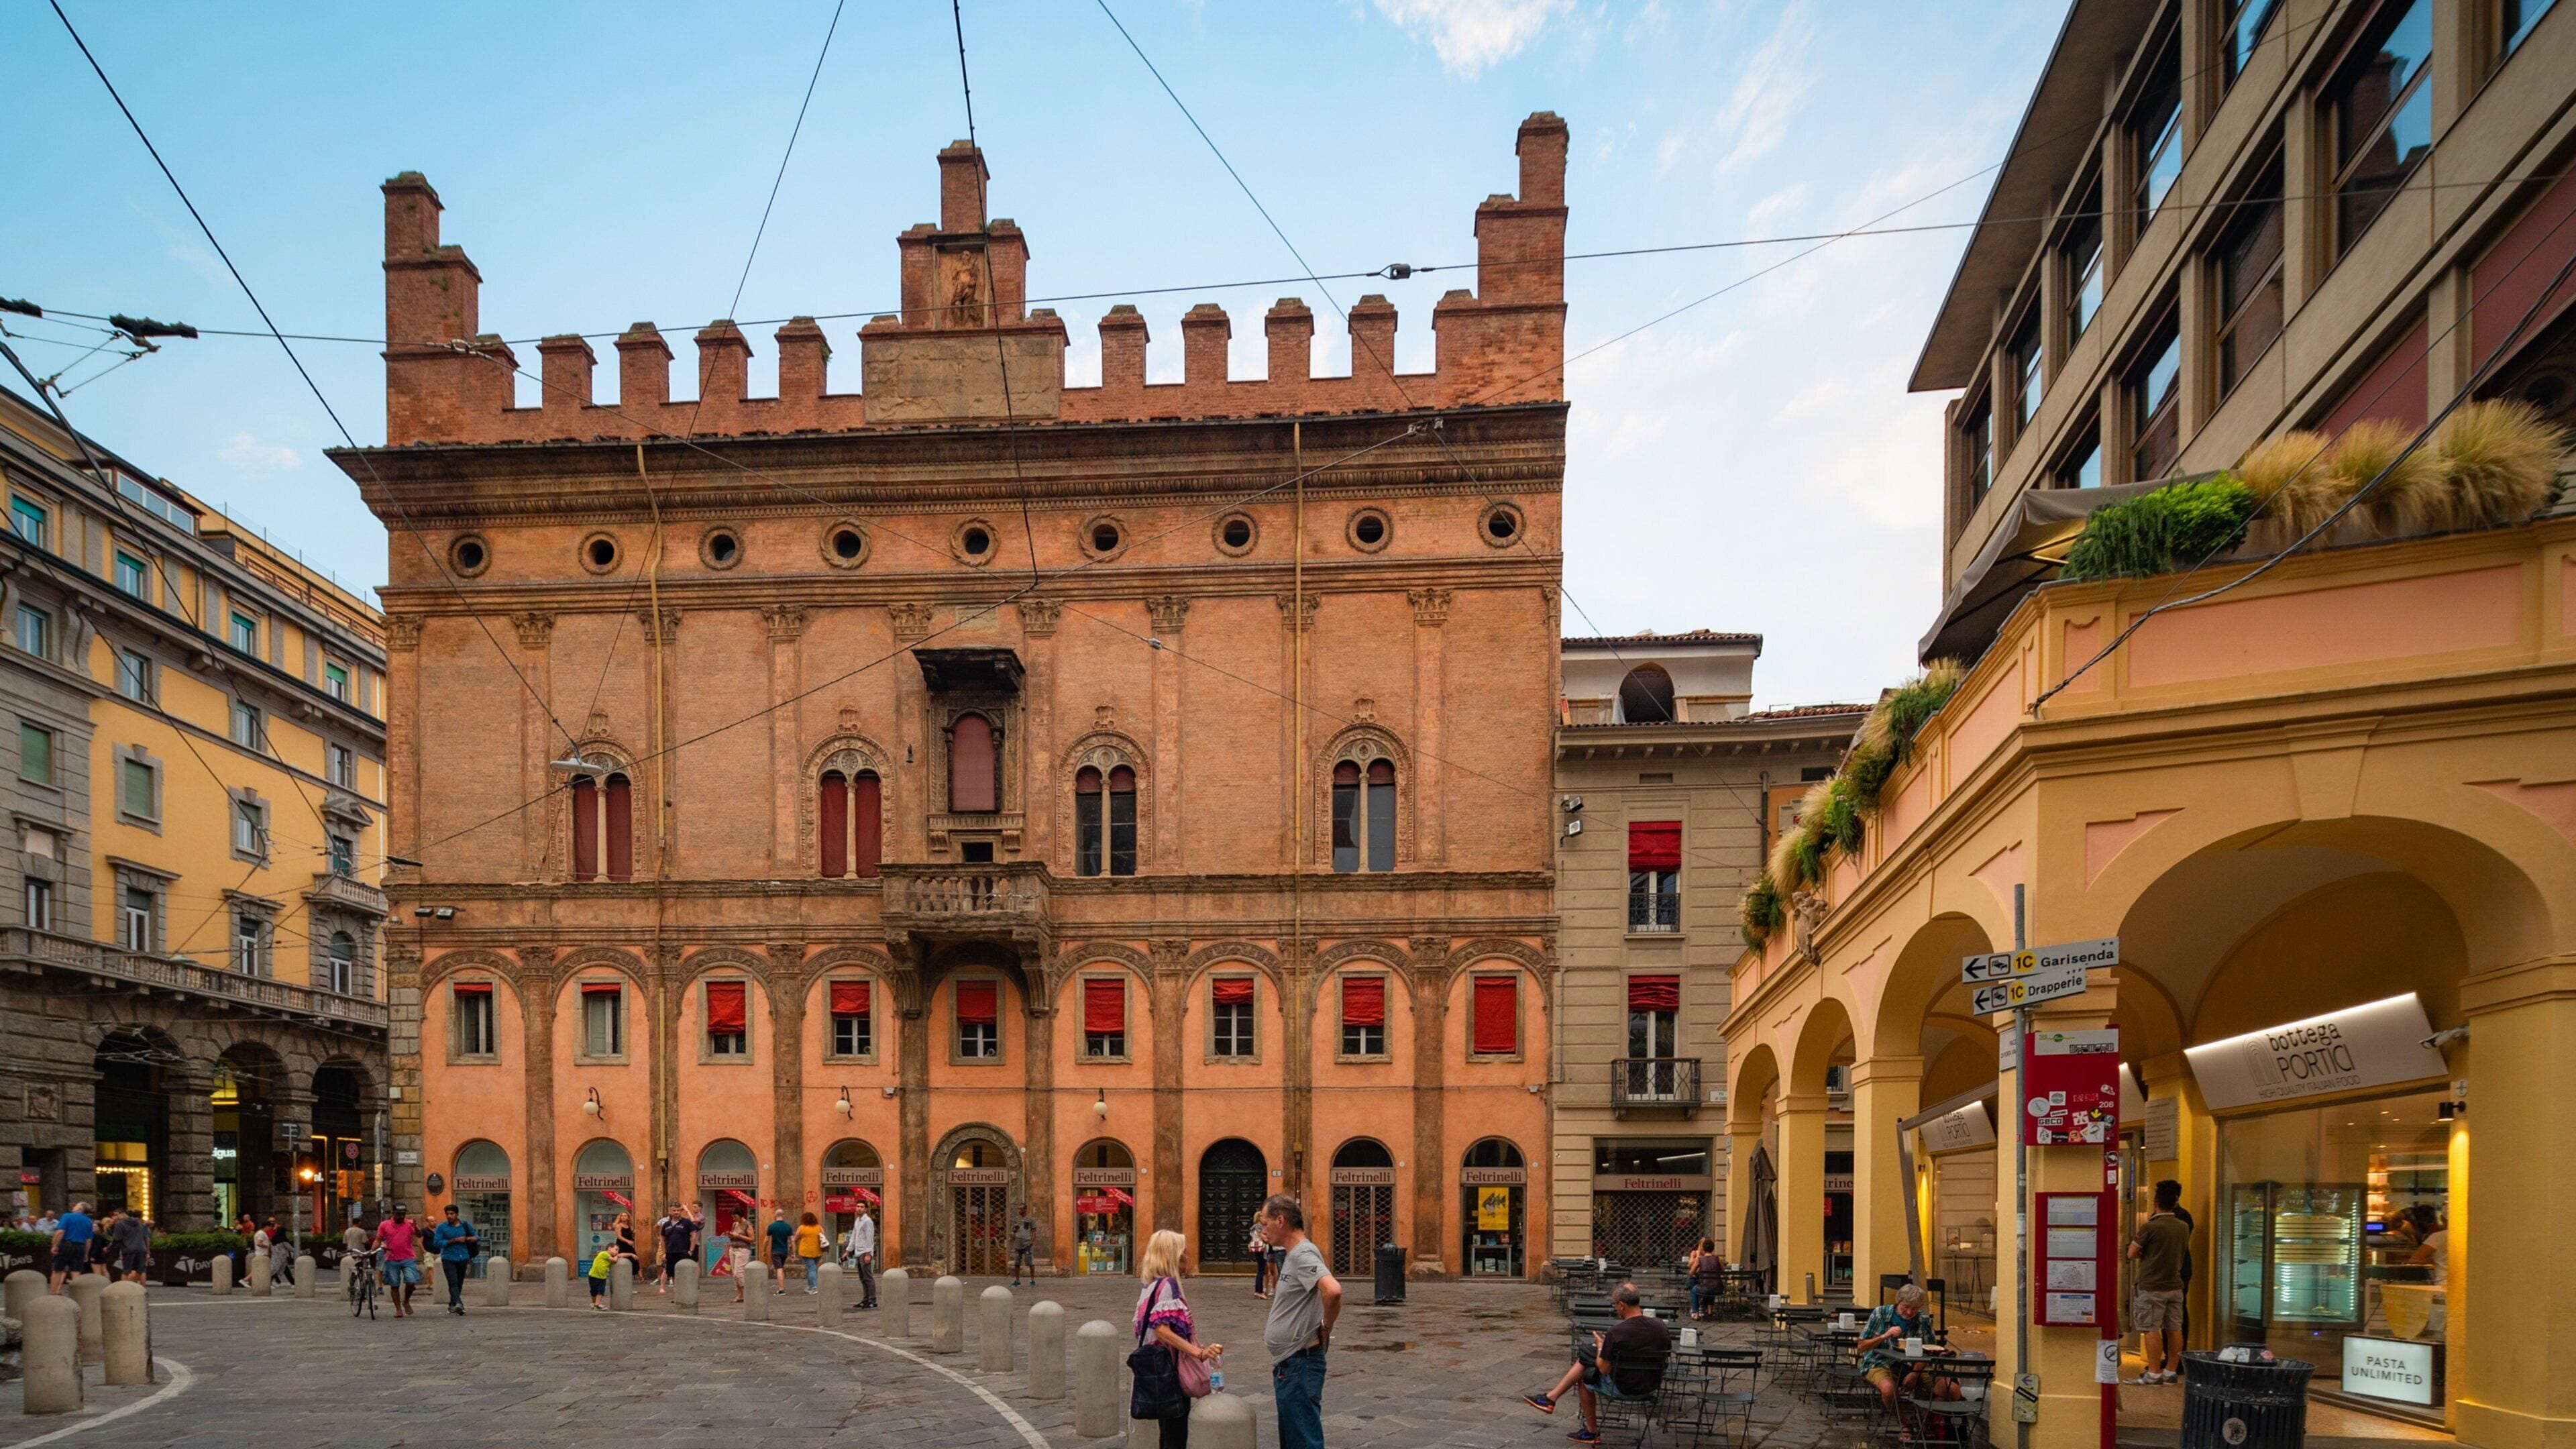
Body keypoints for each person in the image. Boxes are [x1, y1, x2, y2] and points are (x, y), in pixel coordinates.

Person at [1522, 1281, 1672, 1444]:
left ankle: (1590, 1431)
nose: (1615, 1308)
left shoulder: (1617, 1332)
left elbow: (1605, 1369)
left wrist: (1601, 1346)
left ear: (1622, 1305)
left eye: (1614, 1304)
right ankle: (1551, 1399)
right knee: (1588, 1356)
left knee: (1585, 1376)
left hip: (1623, 1388)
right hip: (1651, 1387)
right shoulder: (1661, 1327)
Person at [1262, 1193, 1340, 1449]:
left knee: (1303, 1441)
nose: (1262, 1230)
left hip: (1299, 1363)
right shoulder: (1294, 1253)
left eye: (1265, 1223)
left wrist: (1325, 1328)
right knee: (1295, 1439)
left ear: (1281, 1221)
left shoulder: (1303, 1254)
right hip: (1292, 1363)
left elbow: (1333, 1290)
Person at [1133, 1229, 1224, 1449]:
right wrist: (1198, 1353)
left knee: (1167, 1433)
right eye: (1183, 1252)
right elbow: (1162, 1331)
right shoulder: (1168, 1285)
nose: (1187, 1257)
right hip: (1170, 1370)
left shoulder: (1150, 1286)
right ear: (1172, 1255)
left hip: (1158, 1369)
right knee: (1175, 1435)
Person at [2128, 1180, 2192, 1384]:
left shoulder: (2150, 1227)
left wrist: (2148, 1254)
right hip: (2175, 1285)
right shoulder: (2183, 1226)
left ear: (2155, 1203)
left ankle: (2154, 1372)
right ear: (2175, 1203)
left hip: (2151, 1285)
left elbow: (2132, 1253)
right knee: (2175, 1327)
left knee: (2151, 1327)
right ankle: (2171, 1371)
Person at [1855, 1282, 1936, 1413]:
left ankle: (1925, 1422)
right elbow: (1861, 1347)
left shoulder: (1923, 1320)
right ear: (1898, 1301)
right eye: (1906, 1307)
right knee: (1889, 1390)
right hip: (1880, 1362)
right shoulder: (1880, 1313)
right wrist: (1884, 1336)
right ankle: (1905, 1424)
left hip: (1914, 1366)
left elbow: (1930, 1351)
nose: (1909, 1312)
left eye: (1914, 1309)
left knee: (1950, 1390)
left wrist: (1915, 1374)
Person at [374, 1203, 423, 1318]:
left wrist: (416, 1227)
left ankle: (406, 1301)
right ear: (393, 1214)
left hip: (408, 1258)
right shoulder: (385, 1225)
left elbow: (419, 1235)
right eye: (399, 1214)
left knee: (411, 1282)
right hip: (391, 1259)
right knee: (394, 1285)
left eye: (403, 1214)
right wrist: (371, 1251)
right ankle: (398, 1309)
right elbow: (378, 1239)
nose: (401, 1216)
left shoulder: (410, 1223)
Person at [431, 1203, 481, 1315]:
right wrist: (453, 1241)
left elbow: (477, 1237)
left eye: (452, 1214)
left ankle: (452, 1304)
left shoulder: (465, 1225)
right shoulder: (442, 1227)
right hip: (448, 1257)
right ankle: (459, 1304)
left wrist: (468, 1239)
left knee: (459, 1283)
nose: (449, 1216)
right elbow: (437, 1242)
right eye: (447, 1214)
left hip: (463, 1257)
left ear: (457, 1214)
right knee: (453, 1281)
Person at [48, 1200, 94, 1292]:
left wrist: (55, 1245)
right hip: (80, 1247)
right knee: (76, 1271)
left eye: (76, 1205)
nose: (74, 1206)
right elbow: (89, 1240)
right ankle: (76, 1295)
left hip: (66, 1245)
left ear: (80, 1209)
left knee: (58, 1270)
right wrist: (86, 1254)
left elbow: (60, 1232)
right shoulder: (89, 1221)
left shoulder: (67, 1216)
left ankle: (53, 1293)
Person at [843, 1207, 879, 1309]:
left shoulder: (867, 1221)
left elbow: (869, 1238)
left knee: (868, 1277)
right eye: (858, 1207)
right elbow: (854, 1238)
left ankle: (873, 1300)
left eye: (862, 1207)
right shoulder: (858, 1221)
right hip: (858, 1252)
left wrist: (868, 1254)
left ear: (866, 1209)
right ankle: (865, 1300)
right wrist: (848, 1251)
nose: (859, 1209)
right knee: (863, 1278)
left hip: (865, 1252)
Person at [659, 1205, 697, 1295]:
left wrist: (691, 1250)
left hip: (683, 1251)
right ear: (670, 1212)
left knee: (684, 1271)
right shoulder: (666, 1224)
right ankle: (678, 1292)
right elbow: (662, 1238)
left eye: (678, 1210)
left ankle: (686, 1291)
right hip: (671, 1252)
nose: (676, 1212)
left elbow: (694, 1235)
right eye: (674, 1210)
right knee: (672, 1272)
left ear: (681, 1211)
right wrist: (664, 1253)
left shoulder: (686, 1222)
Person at [110, 1205, 152, 1283]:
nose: (115, 1217)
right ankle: (140, 1289)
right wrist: (147, 1250)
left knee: (126, 1271)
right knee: (140, 1271)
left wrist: (110, 1248)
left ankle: (125, 1289)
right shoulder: (139, 1222)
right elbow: (145, 1236)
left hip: (128, 1249)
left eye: (116, 1215)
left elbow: (117, 1239)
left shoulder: (120, 1224)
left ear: (122, 1214)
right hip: (141, 1249)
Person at [1687, 1238, 1726, 1319]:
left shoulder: (1699, 1259)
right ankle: (1709, 1311)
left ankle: (1695, 1313)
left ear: (1703, 1249)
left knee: (1694, 1290)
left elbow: (1691, 1272)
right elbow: (1723, 1270)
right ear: (1713, 1248)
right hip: (1718, 1288)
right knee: (1712, 1284)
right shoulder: (1718, 1259)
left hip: (1705, 1288)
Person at [727, 1215, 757, 1303]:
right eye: (732, 1217)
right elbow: (733, 1237)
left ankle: (750, 1293)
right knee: (735, 1275)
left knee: (738, 1273)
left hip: (742, 1250)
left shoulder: (748, 1225)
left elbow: (752, 1239)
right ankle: (740, 1296)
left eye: (735, 1217)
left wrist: (739, 1235)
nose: (734, 1219)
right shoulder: (735, 1224)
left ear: (740, 1216)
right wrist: (731, 1235)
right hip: (733, 1249)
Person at [794, 1211, 826, 1293]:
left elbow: (795, 1238)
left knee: (811, 1269)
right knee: (811, 1268)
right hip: (818, 1252)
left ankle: (814, 1287)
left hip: (806, 1252)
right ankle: (810, 1286)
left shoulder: (802, 1228)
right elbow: (823, 1237)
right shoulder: (819, 1227)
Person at [765, 1211, 795, 1295]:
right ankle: (782, 1287)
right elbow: (792, 1240)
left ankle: (781, 1290)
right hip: (784, 1251)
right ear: (784, 1215)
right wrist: (794, 1253)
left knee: (779, 1269)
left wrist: (764, 1250)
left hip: (775, 1251)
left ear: (775, 1215)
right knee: (781, 1268)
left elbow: (766, 1240)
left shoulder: (772, 1226)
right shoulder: (788, 1227)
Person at [1247, 1214, 1272, 1298]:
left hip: (1260, 1250)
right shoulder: (1258, 1226)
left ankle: (1258, 1291)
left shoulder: (1257, 1227)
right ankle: (1259, 1291)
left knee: (1261, 1270)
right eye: (1262, 1216)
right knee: (1261, 1271)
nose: (1265, 1218)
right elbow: (1264, 1238)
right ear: (1258, 1218)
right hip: (1261, 1250)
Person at [1010, 1210, 1037, 1286]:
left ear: (1024, 1210)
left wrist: (1032, 1241)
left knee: (1030, 1263)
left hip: (1027, 1244)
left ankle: (1032, 1280)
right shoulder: (1016, 1219)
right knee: (1017, 1263)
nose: (1019, 1211)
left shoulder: (1031, 1219)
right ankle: (1017, 1281)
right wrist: (1015, 1229)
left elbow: (1034, 1231)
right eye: (1018, 1209)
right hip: (1018, 1244)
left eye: (1020, 1209)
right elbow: (1013, 1231)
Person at [588, 1244, 615, 1309]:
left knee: (601, 1291)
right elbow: (615, 1260)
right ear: (610, 1248)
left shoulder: (610, 1257)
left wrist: (631, 1255)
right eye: (616, 1250)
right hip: (593, 1276)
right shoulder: (604, 1254)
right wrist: (617, 1256)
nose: (617, 1252)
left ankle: (597, 1304)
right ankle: (594, 1304)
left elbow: (621, 1255)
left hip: (602, 1277)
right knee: (593, 1291)